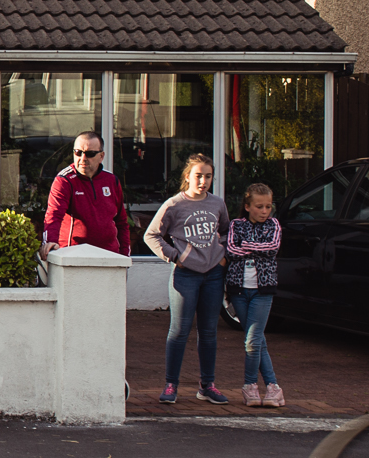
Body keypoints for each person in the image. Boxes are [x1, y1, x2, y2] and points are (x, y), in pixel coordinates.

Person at [145, 154, 230, 405]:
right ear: (187, 177)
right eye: (198, 176)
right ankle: (171, 385)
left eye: (208, 176)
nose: (203, 181)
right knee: (179, 331)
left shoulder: (217, 204)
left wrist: (221, 256)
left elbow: (225, 231)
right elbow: (152, 235)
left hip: (213, 275)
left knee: (209, 332)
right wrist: (174, 256)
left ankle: (207, 385)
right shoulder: (174, 205)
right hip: (185, 276)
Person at [226, 183, 284, 408]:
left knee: (252, 341)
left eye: (268, 206)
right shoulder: (236, 225)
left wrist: (247, 246)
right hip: (238, 290)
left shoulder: (274, 225)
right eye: (259, 206)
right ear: (247, 206)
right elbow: (232, 249)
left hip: (263, 290)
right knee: (258, 341)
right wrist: (256, 247)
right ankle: (273, 388)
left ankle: (250, 385)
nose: (264, 211)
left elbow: (273, 247)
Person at [42, 131, 131, 255]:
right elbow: (53, 215)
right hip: (73, 255)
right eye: (78, 153)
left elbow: (121, 221)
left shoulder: (111, 180)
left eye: (90, 154)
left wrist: (125, 253)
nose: (83, 159)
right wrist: (50, 242)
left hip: (109, 256)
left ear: (101, 156)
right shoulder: (65, 180)